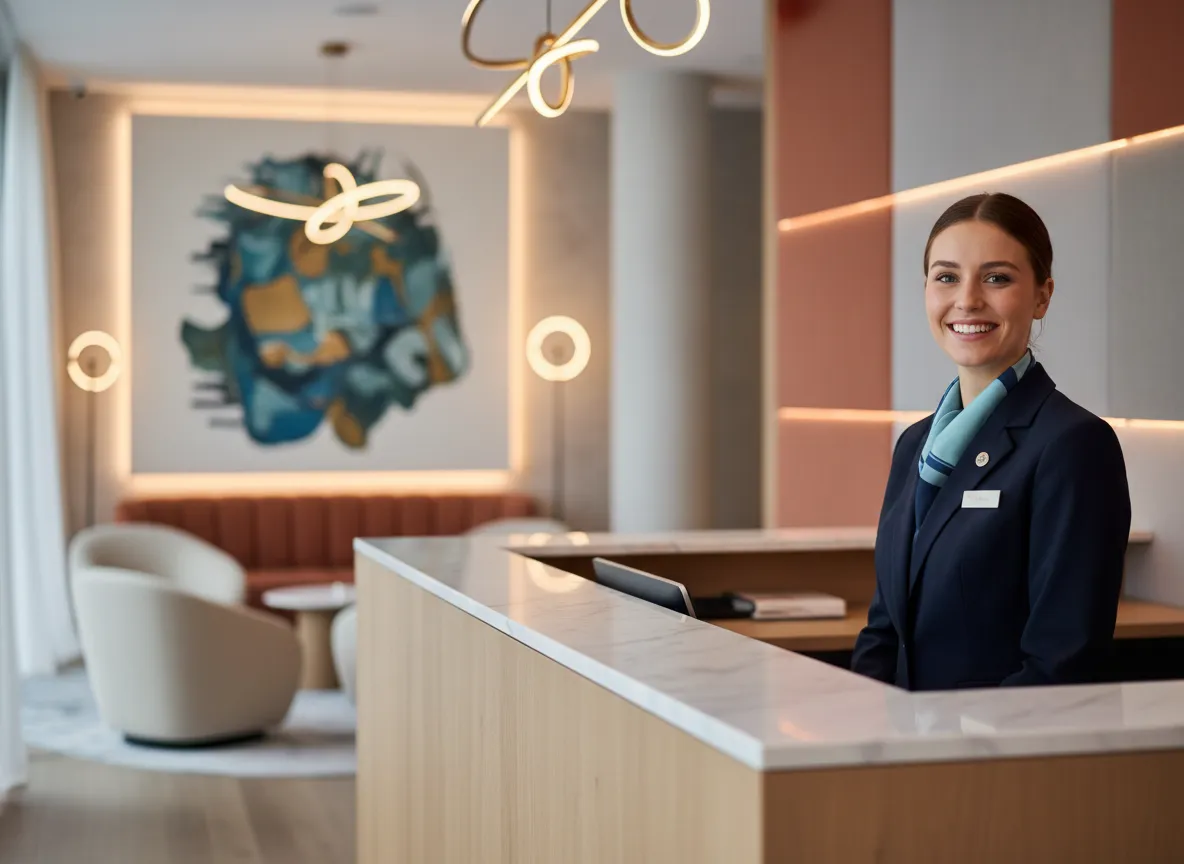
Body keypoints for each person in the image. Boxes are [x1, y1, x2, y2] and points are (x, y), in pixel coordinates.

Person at [851, 192, 1131, 691]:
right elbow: (884, 631)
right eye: (946, 277)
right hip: (899, 751)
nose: (967, 300)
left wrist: (963, 758)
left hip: (990, 758)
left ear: (1042, 295)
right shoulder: (915, 444)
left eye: (997, 278)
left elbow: (1061, 660)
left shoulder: (1074, 445)